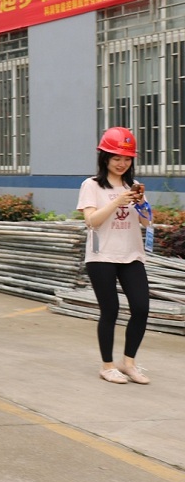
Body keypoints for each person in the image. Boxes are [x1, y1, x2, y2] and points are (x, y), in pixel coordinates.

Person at [77, 126, 152, 385]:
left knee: (141, 308)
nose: (122, 163)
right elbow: (91, 221)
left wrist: (141, 204)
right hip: (102, 257)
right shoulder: (92, 185)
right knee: (110, 310)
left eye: (127, 158)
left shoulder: (133, 186)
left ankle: (128, 363)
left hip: (131, 255)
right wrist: (117, 201)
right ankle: (107, 365)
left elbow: (147, 223)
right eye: (116, 158)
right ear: (105, 158)